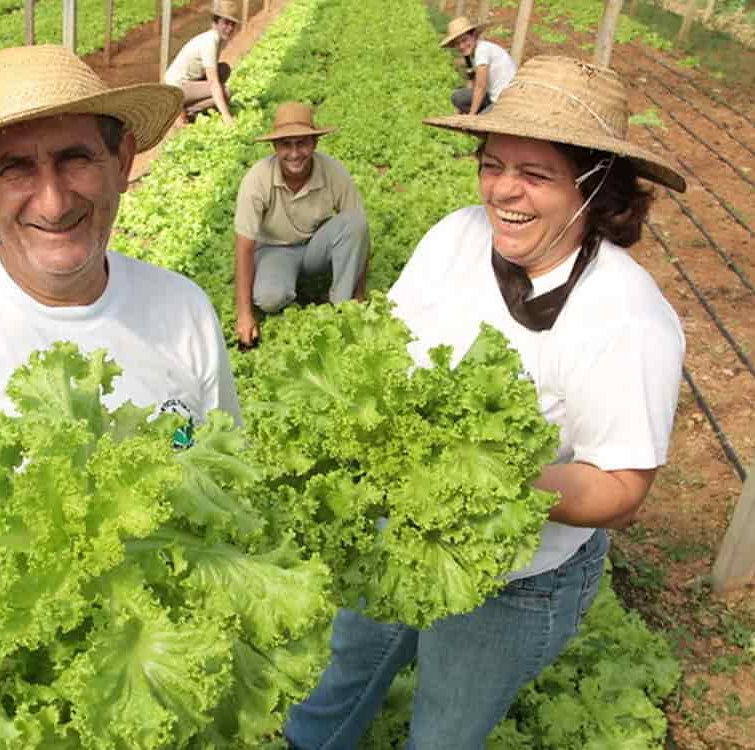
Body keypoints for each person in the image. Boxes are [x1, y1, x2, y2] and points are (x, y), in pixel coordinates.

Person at [283, 56, 687, 750]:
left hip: (517, 581)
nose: (504, 190)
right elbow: (390, 343)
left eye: (535, 175)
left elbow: (620, 488)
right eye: (493, 163)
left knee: (444, 728)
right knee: (346, 667)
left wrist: (476, 477)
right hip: (397, 527)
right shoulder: (455, 237)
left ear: (595, 185)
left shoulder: (625, 316)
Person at [0, 45, 241, 478]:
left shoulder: (186, 309)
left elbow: (220, 481)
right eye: (16, 169)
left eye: (75, 159)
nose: (53, 205)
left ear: (123, 162)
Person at [233, 102, 370, 347]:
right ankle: (289, 284)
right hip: (275, 250)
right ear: (275, 147)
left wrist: (358, 295)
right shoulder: (257, 179)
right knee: (270, 298)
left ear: (314, 143)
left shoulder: (333, 171)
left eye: (302, 143)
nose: (294, 153)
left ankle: (342, 305)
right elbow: (244, 247)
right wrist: (244, 315)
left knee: (356, 220)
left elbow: (358, 231)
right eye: (286, 144)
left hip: (316, 247)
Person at [164, 0, 241, 124]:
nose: (229, 28)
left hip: (188, 82)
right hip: (176, 87)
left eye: (232, 24)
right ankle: (180, 110)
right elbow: (213, 82)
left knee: (223, 69)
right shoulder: (210, 41)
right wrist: (226, 116)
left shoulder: (216, 39)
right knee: (225, 92)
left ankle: (189, 109)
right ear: (215, 23)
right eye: (226, 23)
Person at [441, 15, 516, 115]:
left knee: (481, 121)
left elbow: (481, 86)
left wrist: (471, 116)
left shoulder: (482, 50)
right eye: (457, 44)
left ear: (474, 36)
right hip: (493, 96)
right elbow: (472, 84)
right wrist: (459, 112)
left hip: (507, 101)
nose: (461, 46)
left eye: (464, 40)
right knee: (457, 97)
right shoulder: (472, 54)